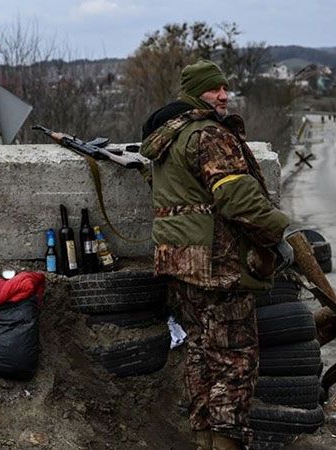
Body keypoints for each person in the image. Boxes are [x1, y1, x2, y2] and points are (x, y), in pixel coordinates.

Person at [140, 60, 291, 450]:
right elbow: (237, 198)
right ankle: (225, 443)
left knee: (201, 356)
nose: (223, 95)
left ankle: (204, 440)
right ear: (194, 94)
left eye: (225, 87)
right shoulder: (209, 135)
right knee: (235, 362)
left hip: (179, 264)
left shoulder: (167, 136)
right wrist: (277, 231)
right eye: (213, 89)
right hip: (217, 267)